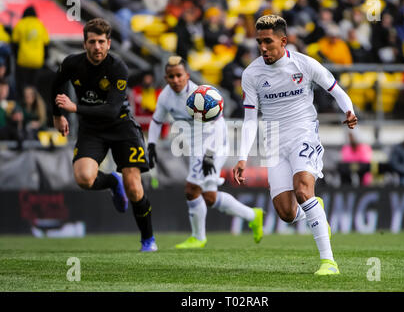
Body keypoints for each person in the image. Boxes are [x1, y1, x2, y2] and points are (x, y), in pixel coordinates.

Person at [233, 15, 358, 275]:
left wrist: (349, 110)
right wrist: (242, 157)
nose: (263, 48)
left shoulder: (304, 63)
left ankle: (328, 262)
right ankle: (316, 211)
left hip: (303, 132)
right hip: (273, 141)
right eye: (259, 42)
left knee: (302, 189)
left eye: (268, 41)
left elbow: (334, 88)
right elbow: (249, 120)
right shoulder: (252, 74)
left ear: (284, 41)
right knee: (287, 213)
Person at [51, 18, 156, 252]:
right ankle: (111, 180)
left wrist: (74, 108)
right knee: (84, 178)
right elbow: (55, 85)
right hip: (92, 129)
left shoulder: (118, 67)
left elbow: (110, 110)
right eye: (92, 42)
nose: (96, 47)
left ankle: (148, 239)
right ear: (84, 43)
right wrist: (57, 115)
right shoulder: (71, 63)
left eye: (101, 42)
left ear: (108, 43)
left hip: (121, 126)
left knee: (134, 187)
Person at [147, 55, 264, 249]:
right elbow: (157, 121)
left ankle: (198, 237)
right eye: (171, 76)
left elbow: (217, 127)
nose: (175, 80)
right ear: (166, 78)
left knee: (192, 189)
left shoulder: (200, 94)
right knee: (209, 196)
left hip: (214, 145)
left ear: (187, 75)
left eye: (179, 75)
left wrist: (210, 155)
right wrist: (151, 144)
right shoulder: (165, 95)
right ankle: (253, 215)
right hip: (196, 148)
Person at [12, 5, 49, 100]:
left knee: (22, 86)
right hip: (37, 61)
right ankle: (34, 105)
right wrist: (44, 59)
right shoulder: (40, 25)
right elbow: (46, 45)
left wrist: (16, 58)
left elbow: (15, 43)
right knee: (34, 87)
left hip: (23, 61)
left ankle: (23, 103)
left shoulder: (20, 24)